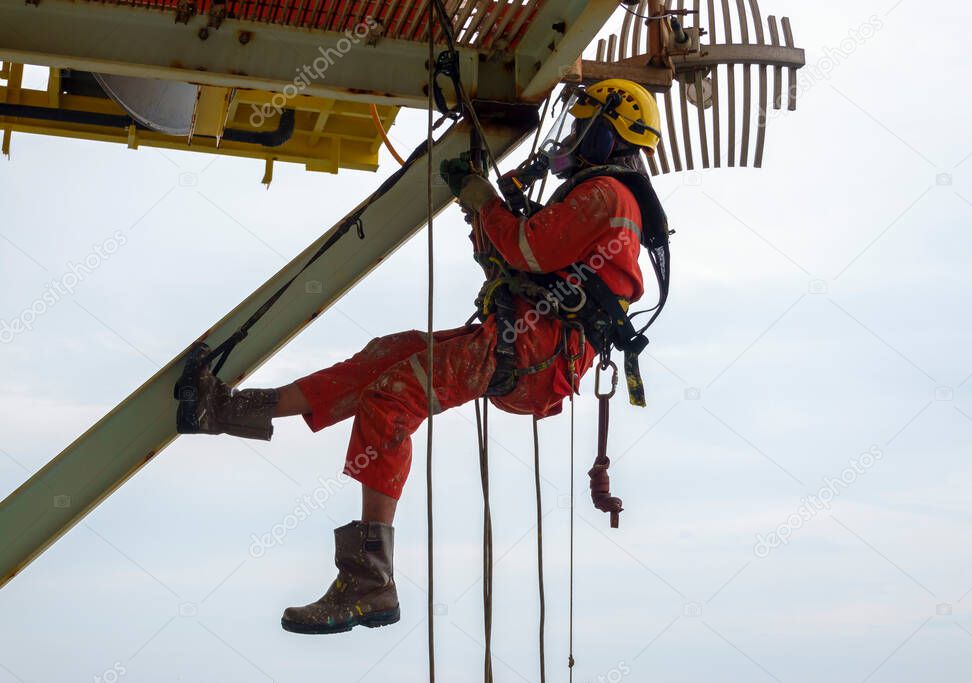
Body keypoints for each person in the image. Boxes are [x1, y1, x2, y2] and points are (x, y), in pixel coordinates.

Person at [175, 79, 666, 635]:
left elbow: (528, 248)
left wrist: (485, 202)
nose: (572, 136)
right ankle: (226, 410)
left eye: (582, 127)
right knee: (385, 359)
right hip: (524, 344)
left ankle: (370, 581)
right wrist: (484, 207)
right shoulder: (596, 197)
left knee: (393, 395)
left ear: (608, 134)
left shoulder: (606, 195)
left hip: (536, 349)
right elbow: (517, 259)